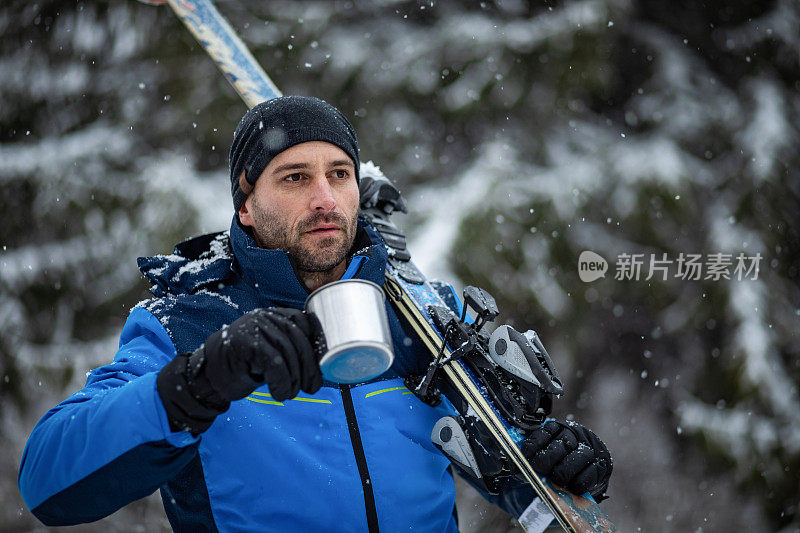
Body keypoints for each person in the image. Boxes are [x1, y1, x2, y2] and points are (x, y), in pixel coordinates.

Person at [18, 96, 612, 531]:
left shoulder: (424, 314)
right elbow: (50, 482)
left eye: (340, 175)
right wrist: (200, 380)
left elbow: (511, 474)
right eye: (295, 178)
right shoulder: (186, 323)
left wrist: (555, 461)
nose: (325, 199)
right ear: (246, 205)